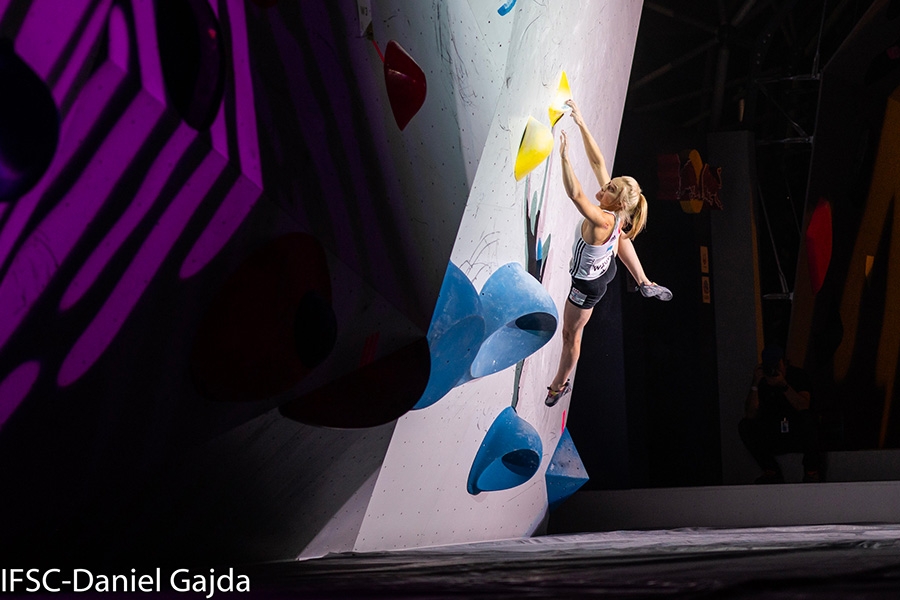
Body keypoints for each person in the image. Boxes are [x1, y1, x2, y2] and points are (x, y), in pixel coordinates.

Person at [545, 99, 671, 407]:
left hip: (587, 286)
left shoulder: (603, 218)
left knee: (570, 336)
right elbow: (599, 161)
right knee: (621, 238)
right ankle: (643, 281)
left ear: (616, 203)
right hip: (607, 264)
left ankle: (559, 384)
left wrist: (563, 156)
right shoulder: (616, 209)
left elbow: (576, 194)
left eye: (610, 190)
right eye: (610, 185)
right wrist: (581, 121)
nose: (604, 188)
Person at [739, 344, 824, 483]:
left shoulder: (797, 376)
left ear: (784, 362)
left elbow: (803, 405)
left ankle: (811, 471)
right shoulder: (763, 381)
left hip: (797, 433)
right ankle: (771, 471)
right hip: (775, 434)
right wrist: (756, 383)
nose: (774, 370)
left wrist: (783, 385)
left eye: (777, 365)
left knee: (809, 419)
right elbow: (750, 414)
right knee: (745, 426)